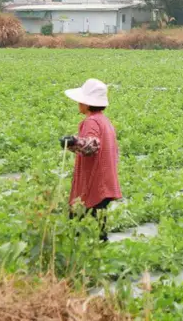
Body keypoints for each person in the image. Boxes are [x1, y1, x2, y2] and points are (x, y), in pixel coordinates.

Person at [60, 78, 122, 241]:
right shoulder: (104, 121)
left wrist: (73, 141)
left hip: (93, 185)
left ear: (87, 104)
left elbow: (92, 145)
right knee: (98, 226)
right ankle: (100, 257)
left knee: (79, 225)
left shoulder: (91, 121)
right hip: (105, 183)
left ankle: (79, 262)